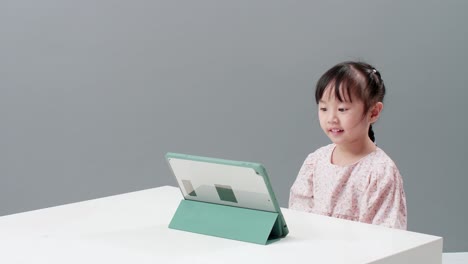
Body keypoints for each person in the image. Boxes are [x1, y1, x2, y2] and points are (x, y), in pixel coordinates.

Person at [289, 61, 407, 229]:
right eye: (324, 108)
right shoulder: (315, 162)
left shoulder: (380, 171)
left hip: (362, 254)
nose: (331, 118)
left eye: (342, 109)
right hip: (315, 252)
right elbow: (298, 215)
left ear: (373, 112)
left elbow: (385, 235)